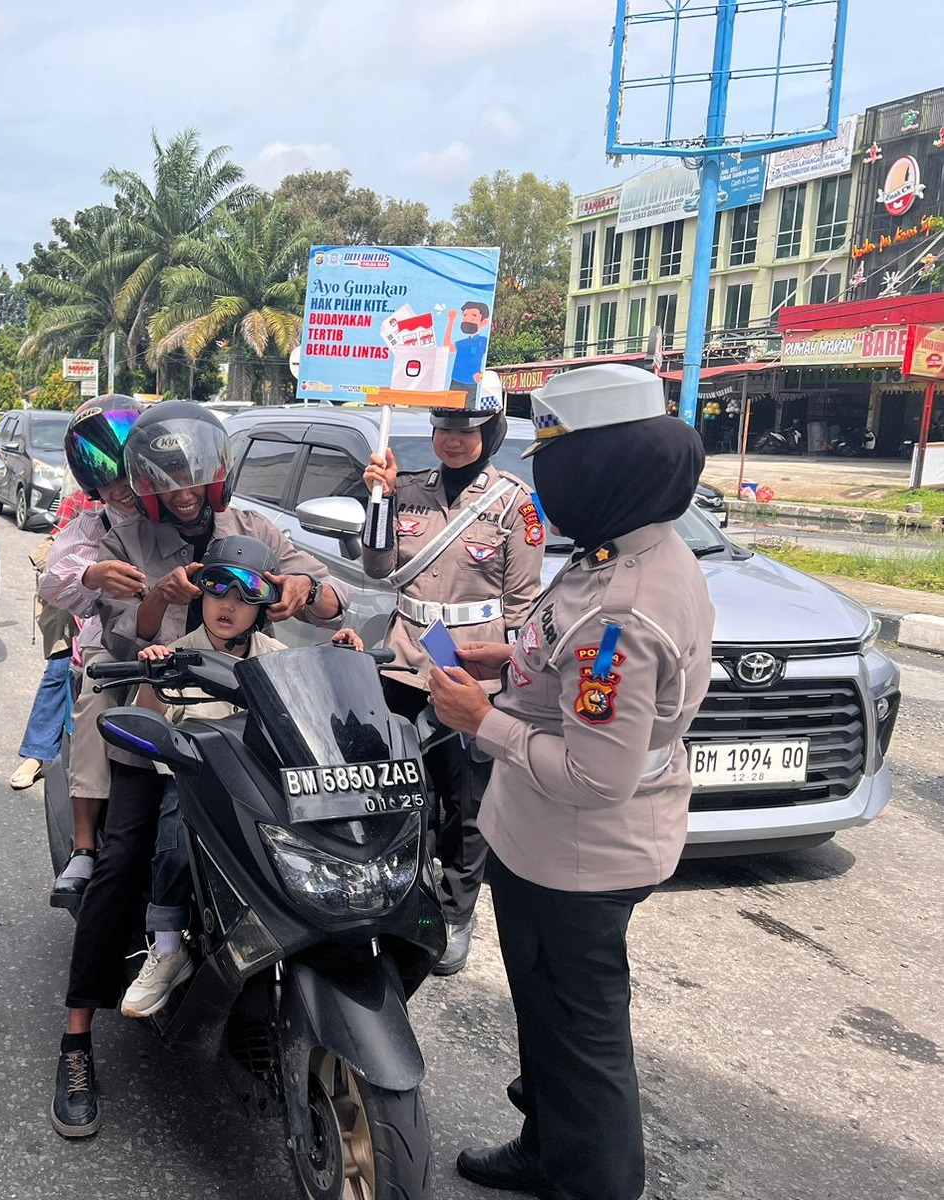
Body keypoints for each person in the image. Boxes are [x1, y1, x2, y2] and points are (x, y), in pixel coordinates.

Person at [427, 363, 715, 1200]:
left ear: (599, 472)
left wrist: (483, 720)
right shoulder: (630, 545)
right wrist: (511, 659)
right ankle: (546, 1146)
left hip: (577, 855)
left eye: (558, 468)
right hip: (546, 842)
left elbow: (595, 774)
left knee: (583, 1041)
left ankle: (590, 1180)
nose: (548, 489)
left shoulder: (621, 607)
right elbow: (565, 654)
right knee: (548, 1019)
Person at [51, 401, 350, 1139]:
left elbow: (328, 594)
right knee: (125, 859)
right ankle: (77, 1039)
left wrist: (307, 594)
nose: (183, 493)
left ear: (216, 471)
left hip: (247, 726)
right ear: (144, 480)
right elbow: (111, 623)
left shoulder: (254, 528)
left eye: (193, 477)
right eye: (167, 480)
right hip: (158, 724)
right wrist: (156, 594)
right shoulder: (122, 533)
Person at [119, 535, 367, 1018]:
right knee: (174, 836)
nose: (228, 606)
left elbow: (316, 707)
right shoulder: (175, 655)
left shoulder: (276, 656)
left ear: (262, 605)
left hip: (262, 788)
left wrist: (340, 656)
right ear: (201, 595)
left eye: (244, 595)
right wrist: (154, 675)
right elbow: (146, 722)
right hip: (197, 785)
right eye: (218, 591)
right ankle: (167, 946)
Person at [361, 370, 543, 975]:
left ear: (492, 431)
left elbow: (523, 606)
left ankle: (456, 911)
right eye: (445, 428)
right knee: (399, 788)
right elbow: (378, 565)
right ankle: (400, 894)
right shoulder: (407, 488)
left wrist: (514, 675)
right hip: (404, 660)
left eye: (469, 429)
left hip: (469, 670)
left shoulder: (515, 503)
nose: (455, 440)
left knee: (467, 800)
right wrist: (380, 500)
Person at [36, 397, 147, 906]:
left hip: (191, 645)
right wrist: (91, 574)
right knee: (95, 699)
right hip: (115, 651)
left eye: (126, 468)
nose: (120, 484)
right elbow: (52, 581)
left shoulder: (185, 513)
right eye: (104, 474)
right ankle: (83, 847)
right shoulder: (92, 529)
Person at [9, 485, 104, 793]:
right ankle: (36, 754)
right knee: (59, 669)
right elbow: (57, 554)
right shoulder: (79, 500)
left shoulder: (147, 499)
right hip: (72, 598)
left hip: (118, 610)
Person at [450, 299, 492, 394]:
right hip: (456, 381)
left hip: (471, 384)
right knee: (451, 403)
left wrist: (481, 375)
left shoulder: (482, 341)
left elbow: (488, 363)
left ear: (484, 322)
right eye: (465, 315)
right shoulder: (463, 343)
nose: (467, 319)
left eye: (473, 316)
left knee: (469, 403)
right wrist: (451, 320)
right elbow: (447, 347)